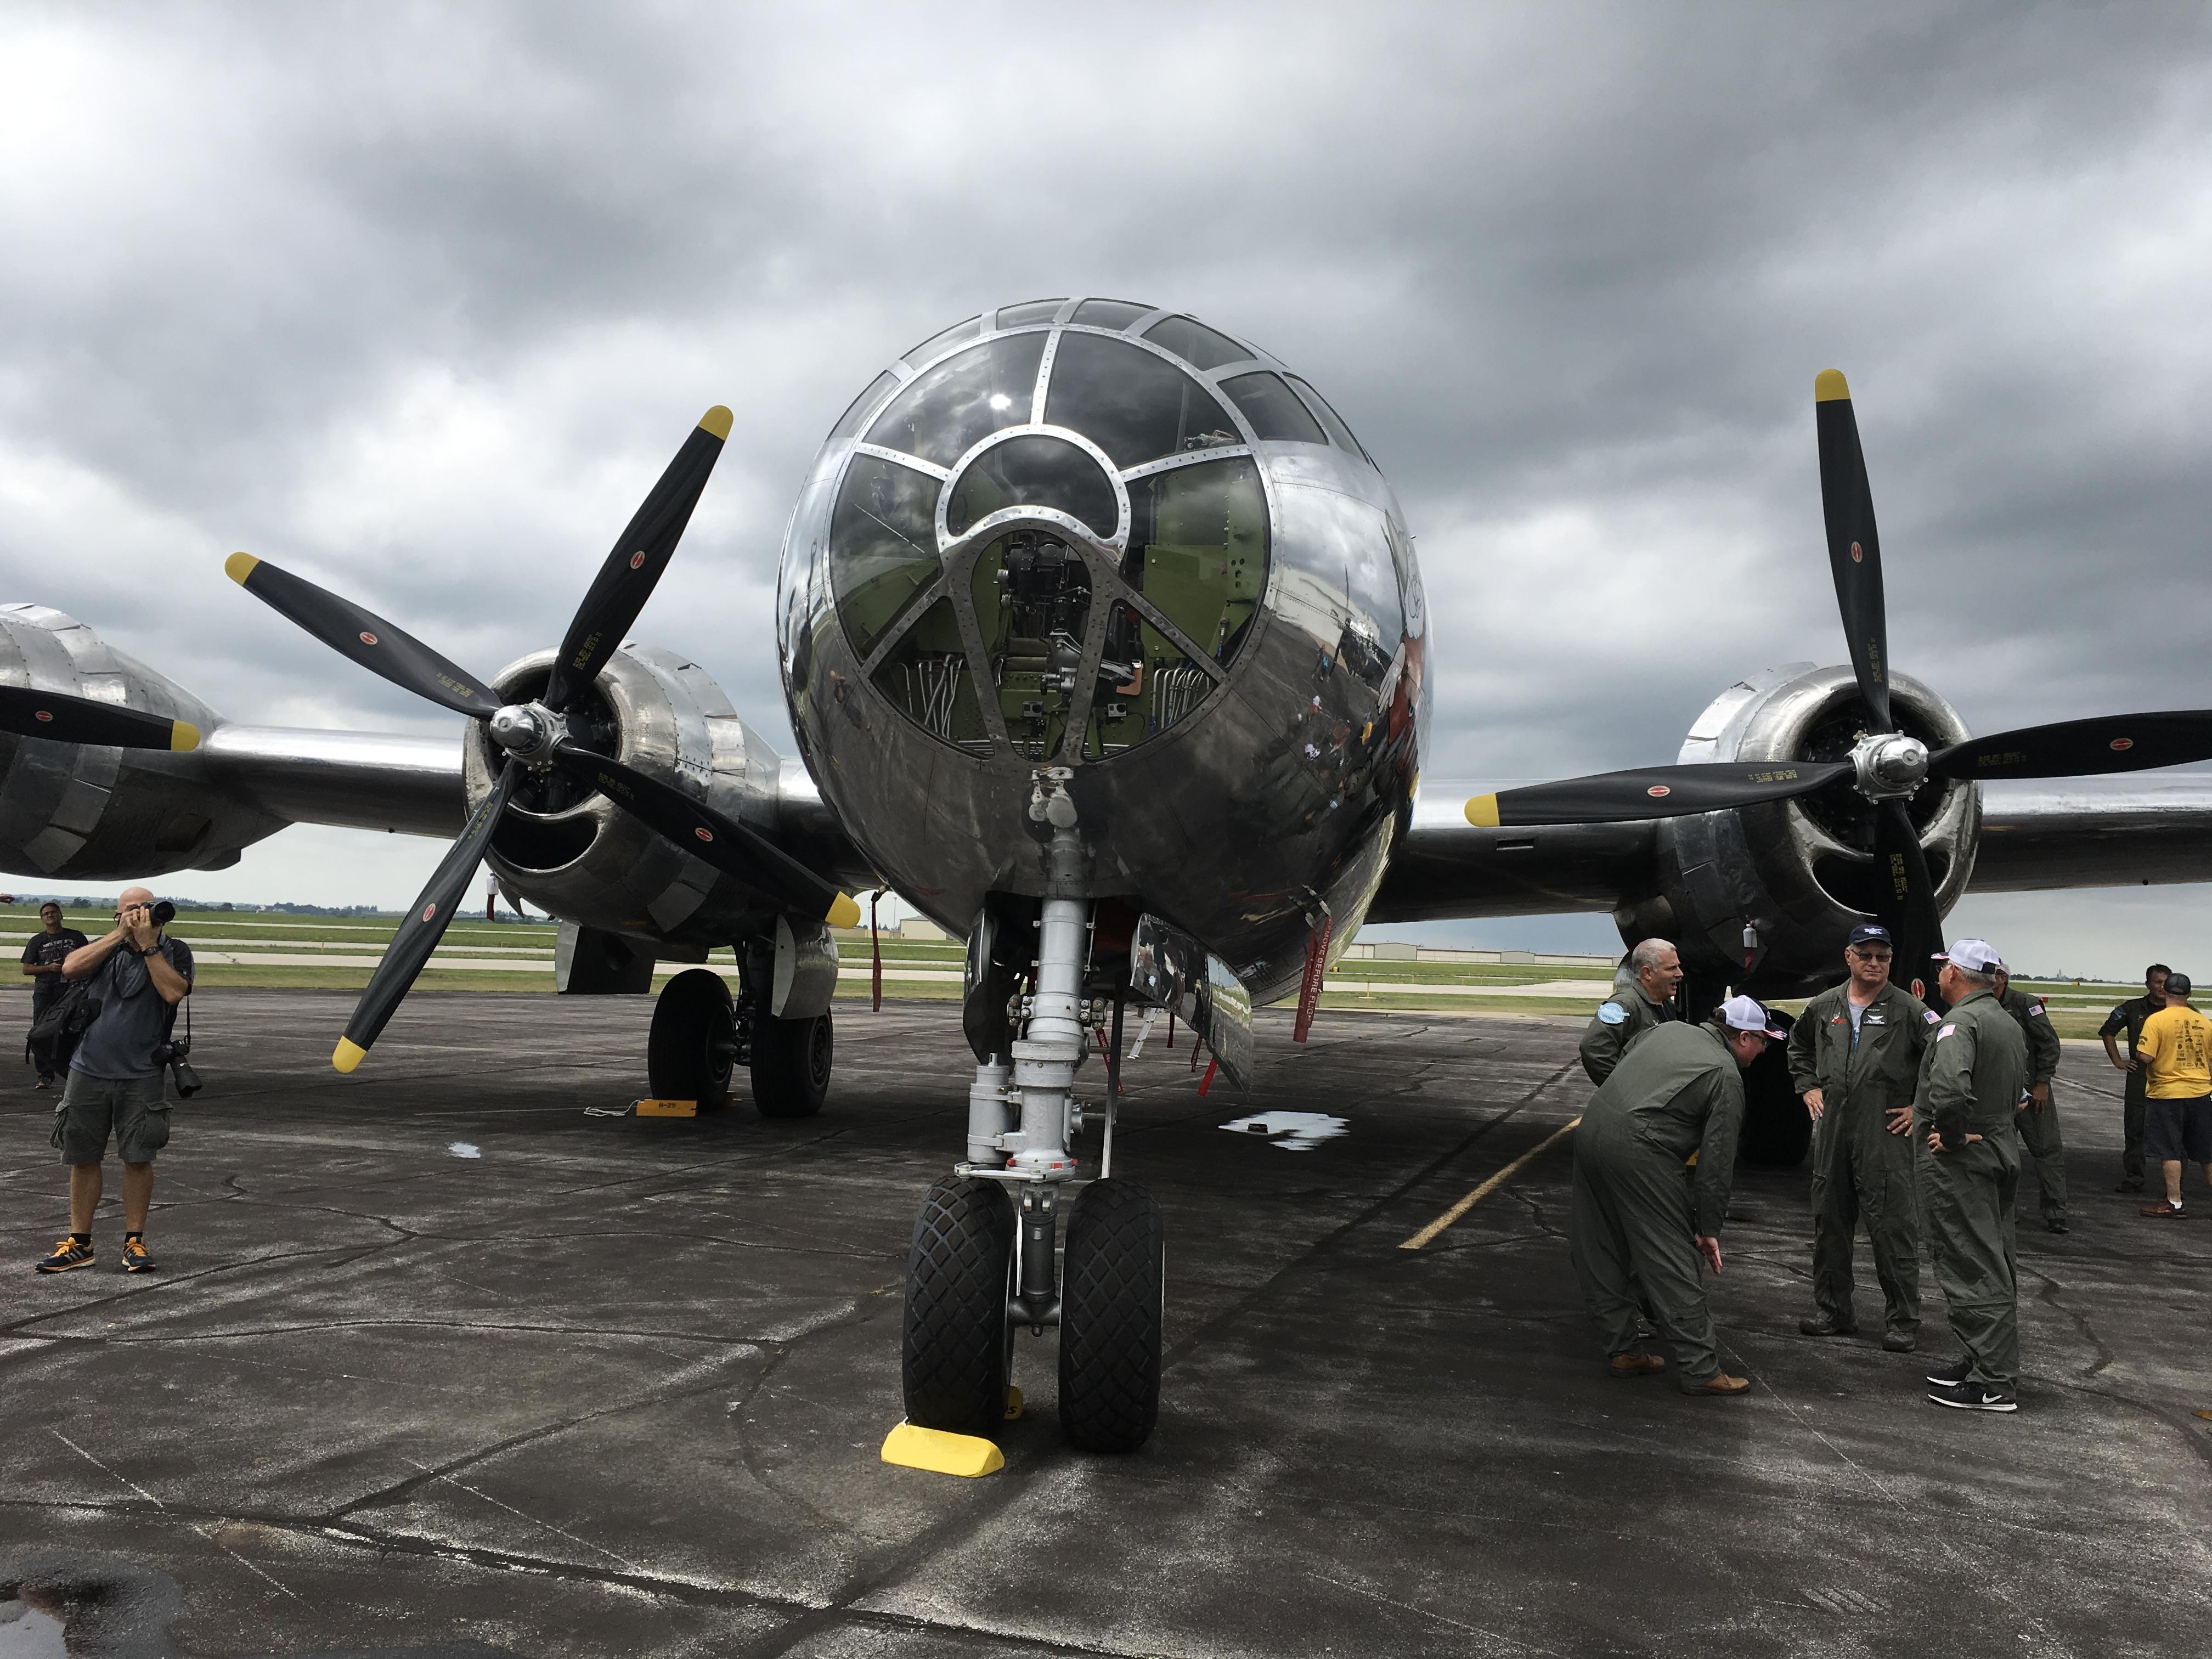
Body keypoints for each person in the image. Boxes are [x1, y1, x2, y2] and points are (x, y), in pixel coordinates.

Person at [1568, 994, 1782, 1397]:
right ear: (1742, 1038)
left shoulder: (1669, 1029)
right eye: (1762, 1041)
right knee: (1672, 1257)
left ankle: (1623, 1351)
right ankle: (1700, 1368)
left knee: (1601, 1246)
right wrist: (1706, 1227)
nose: (1764, 1049)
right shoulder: (1726, 1075)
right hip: (1641, 1150)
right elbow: (1717, 1164)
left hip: (1594, 1128)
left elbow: (1628, 1053)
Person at [1788, 923, 1932, 1351]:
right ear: (1848, 957)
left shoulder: (1910, 1010)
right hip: (1833, 1133)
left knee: (1894, 1230)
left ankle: (1903, 1321)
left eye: (1882, 958)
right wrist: (1808, 1086)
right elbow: (1798, 1048)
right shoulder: (1823, 1006)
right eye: (1866, 955)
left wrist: (1921, 1107)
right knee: (1830, 1225)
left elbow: (1944, 1057)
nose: (1874, 964)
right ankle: (1833, 1312)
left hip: (1883, 1135)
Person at [34, 888, 193, 1275]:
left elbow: (173, 992)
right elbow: (70, 968)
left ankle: (134, 1241)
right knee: (82, 1155)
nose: (139, 916)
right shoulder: (108, 947)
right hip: (88, 1067)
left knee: (138, 1157)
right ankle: (80, 1243)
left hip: (142, 1072)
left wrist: (149, 946)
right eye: (130, 911)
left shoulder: (176, 950)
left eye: (145, 909)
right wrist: (122, 936)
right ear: (118, 916)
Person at [1917, 940, 2031, 1413]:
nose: (1940, 975)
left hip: (1964, 1161)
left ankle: (1995, 1381)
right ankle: (1980, 1357)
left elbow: (1949, 1092)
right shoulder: (2005, 1022)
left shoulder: (1959, 1024)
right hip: (2001, 1150)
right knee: (1993, 1256)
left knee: (1971, 1261)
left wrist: (1955, 1135)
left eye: (1944, 968)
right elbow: (2018, 1095)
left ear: (1956, 976)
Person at [2130, 972, 2212, 1219]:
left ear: (2164, 991)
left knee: (2170, 1150)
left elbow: (2146, 1056)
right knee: (2208, 1153)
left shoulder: (2156, 1021)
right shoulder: (2205, 1022)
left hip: (2167, 1094)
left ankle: (2174, 1202)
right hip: (2200, 1093)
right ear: (2189, 995)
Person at [1994, 966, 2068, 1234]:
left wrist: (2043, 1082)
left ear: (2004, 978)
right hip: (1997, 1093)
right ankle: (2004, 1213)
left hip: (2030, 1089)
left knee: (2047, 1150)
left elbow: (2049, 1044)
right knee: (2000, 1153)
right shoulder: (1979, 1004)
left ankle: (2056, 1212)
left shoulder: (2026, 1005)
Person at [2098, 964, 2170, 1193]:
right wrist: (2118, 1061)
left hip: (2171, 1079)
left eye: (2166, 983)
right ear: (2148, 984)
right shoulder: (2132, 1009)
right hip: (2140, 1078)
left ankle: (2175, 1183)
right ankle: (2135, 1176)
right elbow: (2107, 1031)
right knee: (2135, 1129)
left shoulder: (2180, 1010)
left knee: (2173, 1131)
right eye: (2157, 982)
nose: (2161, 987)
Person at [1578, 936, 1683, 1086]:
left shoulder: (1665, 1004)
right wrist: (1623, 1089)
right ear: (1647, 973)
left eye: (1678, 967)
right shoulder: (1623, 1005)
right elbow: (1593, 1049)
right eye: (1671, 968)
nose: (1680, 974)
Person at [21, 901, 89, 1088]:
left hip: (72, 991)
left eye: (53, 912)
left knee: (76, 1029)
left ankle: (76, 1071)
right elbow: (27, 969)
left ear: (61, 915)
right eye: (46, 914)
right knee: (41, 1032)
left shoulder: (76, 937)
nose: (50, 915)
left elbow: (89, 959)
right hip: (45, 991)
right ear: (42, 919)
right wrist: (48, 968)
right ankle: (45, 1075)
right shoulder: (37, 941)